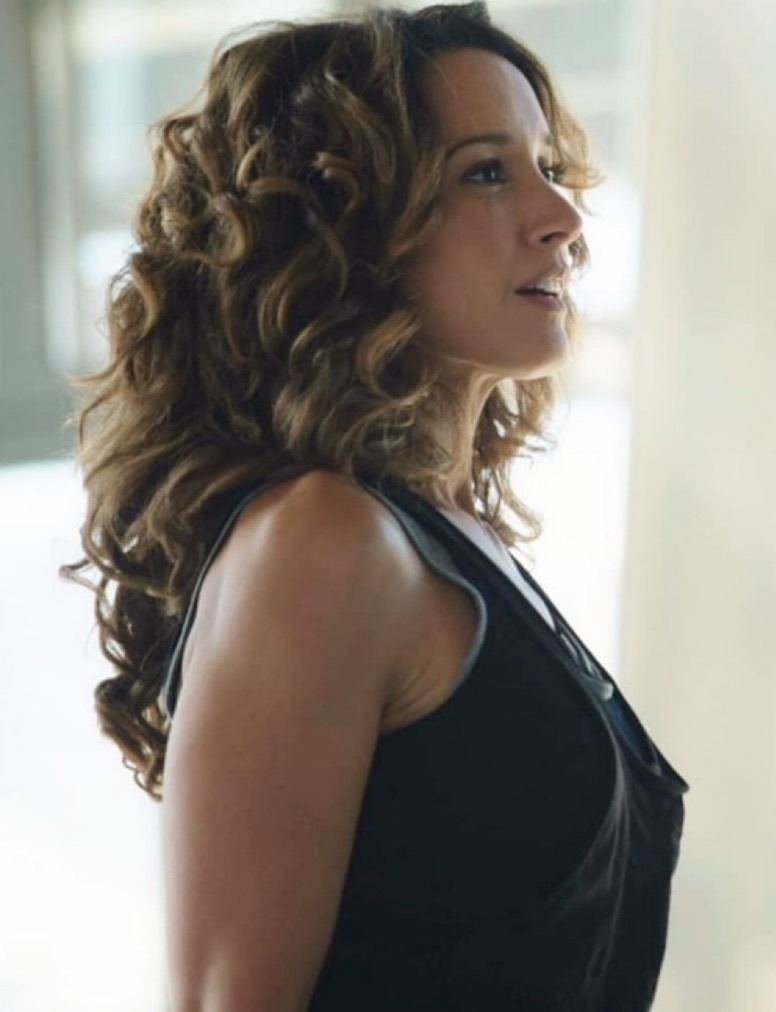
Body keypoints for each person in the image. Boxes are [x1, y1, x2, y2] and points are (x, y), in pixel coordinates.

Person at [62, 3, 690, 1009]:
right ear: (345, 229)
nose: (562, 217)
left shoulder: (453, 540)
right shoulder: (322, 541)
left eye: (546, 166)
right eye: (485, 173)